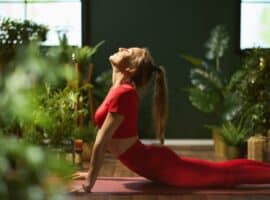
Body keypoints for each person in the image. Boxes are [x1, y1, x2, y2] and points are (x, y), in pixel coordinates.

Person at [72, 47, 270, 192]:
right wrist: (91, 173)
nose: (122, 48)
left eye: (128, 52)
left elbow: (101, 141)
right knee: (222, 171)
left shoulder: (123, 93)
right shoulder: (118, 89)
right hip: (155, 162)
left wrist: (90, 181)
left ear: (130, 69)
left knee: (225, 175)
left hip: (161, 166)